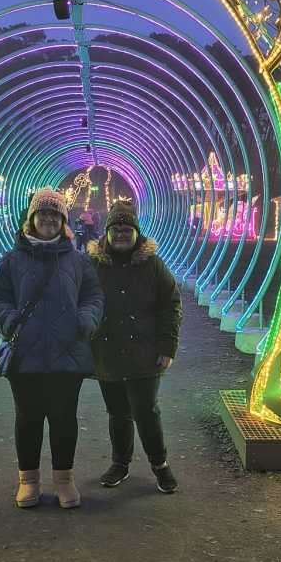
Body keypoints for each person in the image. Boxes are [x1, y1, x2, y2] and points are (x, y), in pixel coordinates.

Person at [0, 188, 104, 511]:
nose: (49, 219)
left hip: (68, 350)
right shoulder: (12, 260)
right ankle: (29, 480)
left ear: (63, 220)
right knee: (28, 418)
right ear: (32, 218)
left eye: (55, 214)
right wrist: (10, 322)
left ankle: (64, 480)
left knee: (64, 418)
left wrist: (85, 320)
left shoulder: (77, 260)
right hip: (26, 352)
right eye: (43, 213)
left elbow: (93, 296)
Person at [88, 202, 183, 495]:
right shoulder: (93, 264)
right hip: (106, 351)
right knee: (117, 412)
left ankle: (160, 464)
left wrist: (167, 347)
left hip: (145, 352)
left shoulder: (153, 264)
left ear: (136, 233)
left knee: (146, 411)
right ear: (107, 232)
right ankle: (120, 463)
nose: (121, 234)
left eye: (126, 229)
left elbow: (171, 306)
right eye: (115, 229)